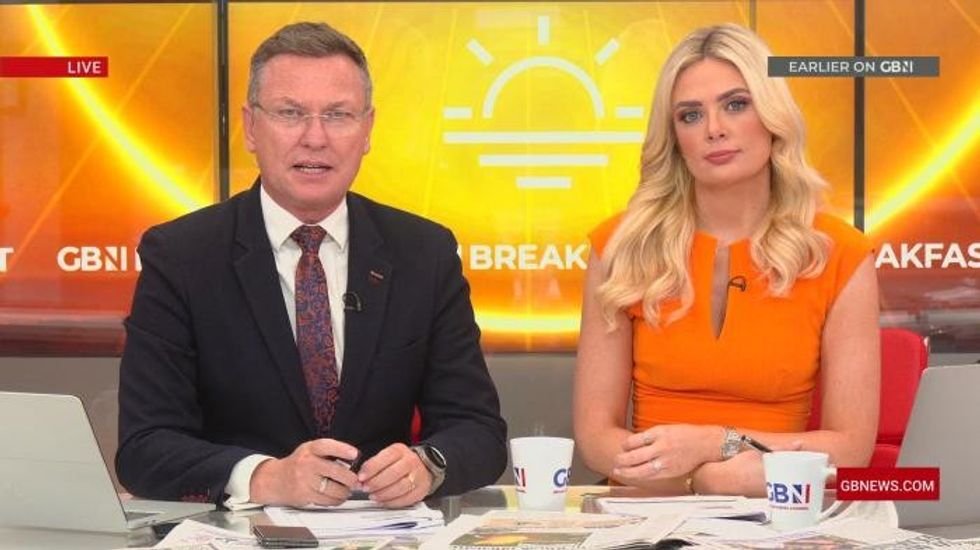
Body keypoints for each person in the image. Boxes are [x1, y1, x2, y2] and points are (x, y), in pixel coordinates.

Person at [116, 21, 506, 509]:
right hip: (237, 531)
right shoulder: (181, 256)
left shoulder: (423, 252)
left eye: (338, 115)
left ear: (367, 130)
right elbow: (144, 448)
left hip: (383, 531)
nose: (315, 138)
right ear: (250, 127)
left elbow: (479, 431)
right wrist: (264, 477)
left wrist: (429, 464)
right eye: (290, 113)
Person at [574, 23, 879, 496]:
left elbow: (851, 449)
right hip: (648, 508)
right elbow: (597, 439)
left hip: (774, 506)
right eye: (690, 115)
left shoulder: (839, 253)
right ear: (674, 136)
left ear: (773, 116)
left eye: (736, 105)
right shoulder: (621, 245)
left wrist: (715, 445)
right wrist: (690, 478)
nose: (714, 129)